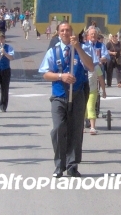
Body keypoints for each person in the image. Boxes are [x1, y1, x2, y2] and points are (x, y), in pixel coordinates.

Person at [39, 22, 95, 178]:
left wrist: (77, 48)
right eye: (62, 30)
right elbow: (45, 73)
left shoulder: (82, 50)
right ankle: (59, 165)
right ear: (58, 33)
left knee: (75, 130)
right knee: (58, 129)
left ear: (72, 33)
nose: (65, 32)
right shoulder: (53, 51)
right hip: (59, 96)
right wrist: (60, 76)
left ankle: (72, 165)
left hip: (77, 94)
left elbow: (91, 66)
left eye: (68, 30)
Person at [0, 31, 14, 113]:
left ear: (4, 39)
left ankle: (3, 105)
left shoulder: (8, 47)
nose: (0, 40)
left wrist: (5, 53)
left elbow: (11, 57)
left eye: (2, 39)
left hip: (5, 69)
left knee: (5, 88)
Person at [85, 58, 106, 135]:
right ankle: (81, 127)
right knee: (82, 109)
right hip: (82, 91)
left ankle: (92, 127)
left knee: (90, 107)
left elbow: (101, 79)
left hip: (92, 91)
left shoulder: (96, 67)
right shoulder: (80, 65)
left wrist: (103, 91)